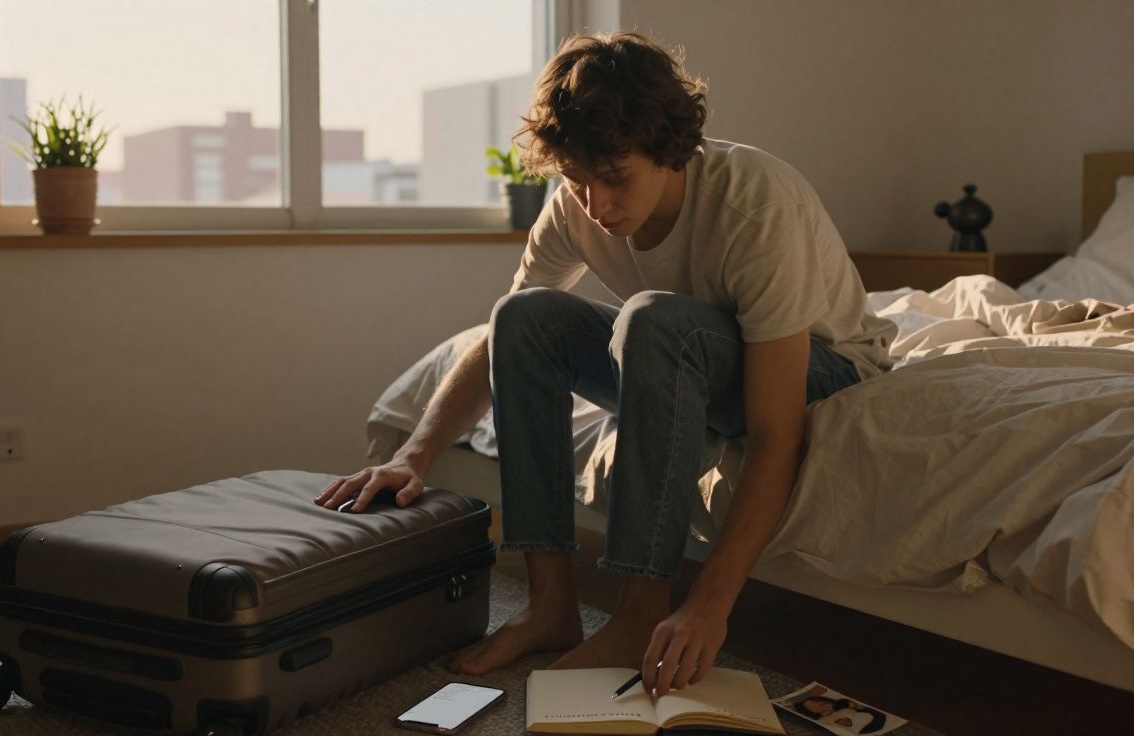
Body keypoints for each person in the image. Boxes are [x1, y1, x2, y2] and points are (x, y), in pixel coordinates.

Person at [313, 31, 897, 697]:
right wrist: (414, 454)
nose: (597, 205)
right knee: (523, 316)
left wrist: (709, 605)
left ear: (669, 151)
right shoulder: (578, 202)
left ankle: (638, 611)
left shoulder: (753, 202)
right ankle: (550, 606)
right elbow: (506, 339)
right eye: (576, 180)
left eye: (614, 179)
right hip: (689, 358)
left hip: (828, 367)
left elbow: (774, 433)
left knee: (652, 318)